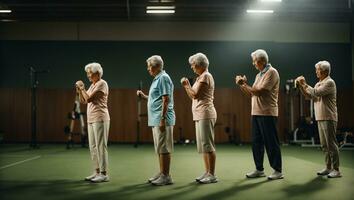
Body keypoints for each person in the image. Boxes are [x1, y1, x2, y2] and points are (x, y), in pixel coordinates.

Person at [235, 49, 283, 180]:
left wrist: (244, 83)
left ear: (261, 61)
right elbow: (251, 93)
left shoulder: (272, 72)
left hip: (268, 113)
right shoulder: (259, 75)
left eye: (254, 61)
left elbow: (260, 91)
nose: (253, 64)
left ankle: (278, 171)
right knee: (256, 142)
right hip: (256, 113)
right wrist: (242, 85)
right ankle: (259, 169)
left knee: (271, 142)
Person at [296, 60, 342, 178]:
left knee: (331, 144)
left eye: (318, 70)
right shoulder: (318, 83)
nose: (316, 72)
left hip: (329, 117)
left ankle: (336, 170)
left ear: (325, 71)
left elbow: (316, 93)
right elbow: (309, 96)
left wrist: (305, 83)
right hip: (320, 117)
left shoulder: (330, 83)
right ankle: (328, 167)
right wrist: (301, 86)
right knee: (324, 145)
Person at [136, 55, 175, 186]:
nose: (148, 69)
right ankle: (162, 172)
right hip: (156, 119)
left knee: (164, 148)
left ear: (157, 66)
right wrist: (144, 96)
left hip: (162, 119)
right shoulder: (157, 79)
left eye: (149, 66)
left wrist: (163, 119)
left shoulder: (163, 78)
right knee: (159, 148)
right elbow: (156, 98)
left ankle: (166, 176)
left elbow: (166, 99)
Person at [181, 52, 218, 184]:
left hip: (206, 114)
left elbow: (195, 95)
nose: (192, 67)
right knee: (203, 146)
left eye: (193, 65)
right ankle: (207, 172)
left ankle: (212, 174)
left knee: (208, 145)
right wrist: (188, 86)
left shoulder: (206, 76)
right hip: (199, 114)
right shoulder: (200, 77)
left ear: (199, 64)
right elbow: (193, 95)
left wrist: (186, 85)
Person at [76, 62, 110, 183]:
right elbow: (83, 101)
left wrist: (82, 88)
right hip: (91, 119)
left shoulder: (102, 83)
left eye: (90, 73)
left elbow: (89, 99)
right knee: (93, 147)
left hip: (100, 118)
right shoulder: (92, 85)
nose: (88, 76)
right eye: (87, 73)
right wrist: (80, 91)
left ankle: (104, 173)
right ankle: (96, 172)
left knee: (101, 146)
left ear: (97, 73)